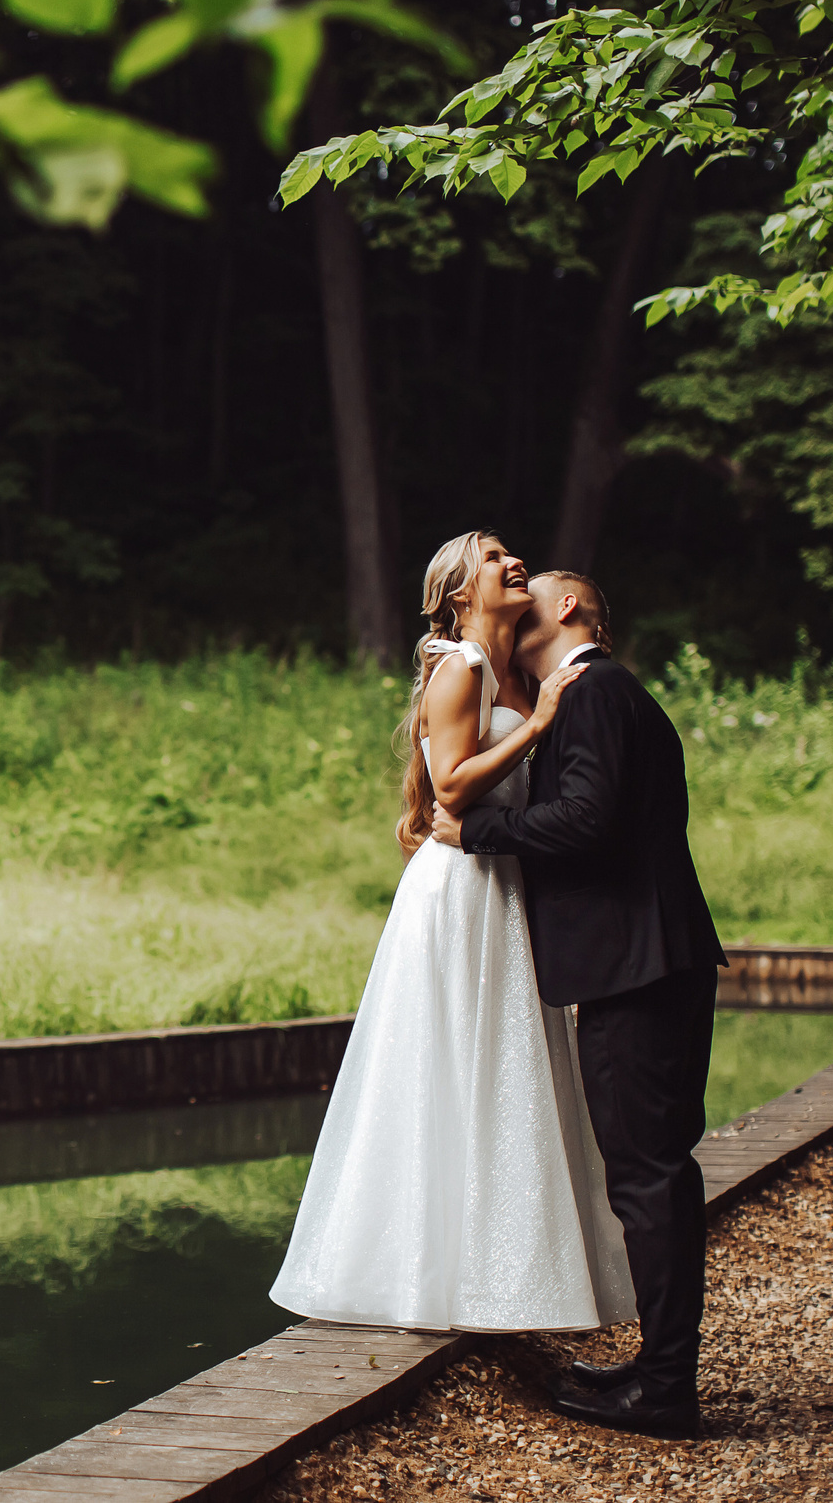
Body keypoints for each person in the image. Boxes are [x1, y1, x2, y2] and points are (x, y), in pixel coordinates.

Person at [269, 532, 634, 1339]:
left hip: (501, 883)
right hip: (460, 885)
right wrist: (538, 723)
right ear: (461, 591)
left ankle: (500, 1276)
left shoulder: (504, 670)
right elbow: (452, 786)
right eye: (496, 556)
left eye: (516, 555)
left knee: (501, 1066)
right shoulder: (464, 667)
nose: (515, 563)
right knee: (447, 1059)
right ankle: (419, 1272)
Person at [433, 567, 726, 1438]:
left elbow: (585, 820)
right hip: (650, 961)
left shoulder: (594, 692)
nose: (519, 599)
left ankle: (668, 1389)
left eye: (538, 589)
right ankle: (658, 1367)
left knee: (649, 1176)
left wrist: (474, 831)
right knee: (654, 1172)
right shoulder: (610, 692)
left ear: (567, 608)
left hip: (637, 968)